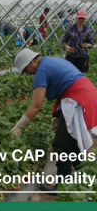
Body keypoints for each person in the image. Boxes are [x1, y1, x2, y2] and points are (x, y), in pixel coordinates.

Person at [11, 49, 97, 193]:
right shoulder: (50, 61)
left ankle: (62, 186)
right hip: (84, 94)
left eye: (26, 69)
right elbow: (63, 84)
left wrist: (18, 126)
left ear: (32, 61)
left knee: (61, 144)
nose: (27, 73)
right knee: (71, 142)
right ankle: (87, 175)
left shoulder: (41, 70)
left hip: (77, 99)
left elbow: (36, 106)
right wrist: (59, 115)